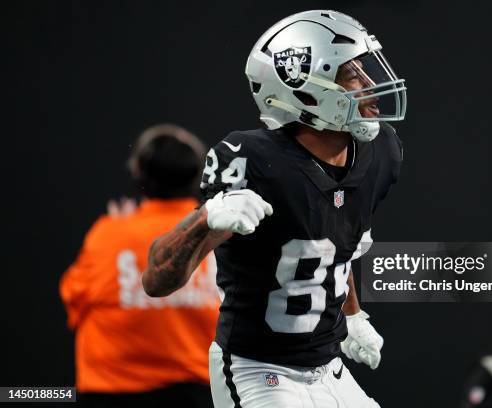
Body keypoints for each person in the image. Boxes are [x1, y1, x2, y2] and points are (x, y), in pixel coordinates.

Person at [143, 10, 406, 408]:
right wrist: (205, 219)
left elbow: (334, 247)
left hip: (329, 366)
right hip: (260, 371)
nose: (370, 86)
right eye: (352, 75)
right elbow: (155, 281)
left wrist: (352, 317)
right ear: (306, 89)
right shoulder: (254, 163)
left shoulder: (380, 151)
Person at [60, 124, 219, 408]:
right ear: (198, 176)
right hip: (198, 395)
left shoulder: (110, 233)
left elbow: (73, 298)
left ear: (139, 174)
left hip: (111, 393)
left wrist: (117, 232)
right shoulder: (219, 235)